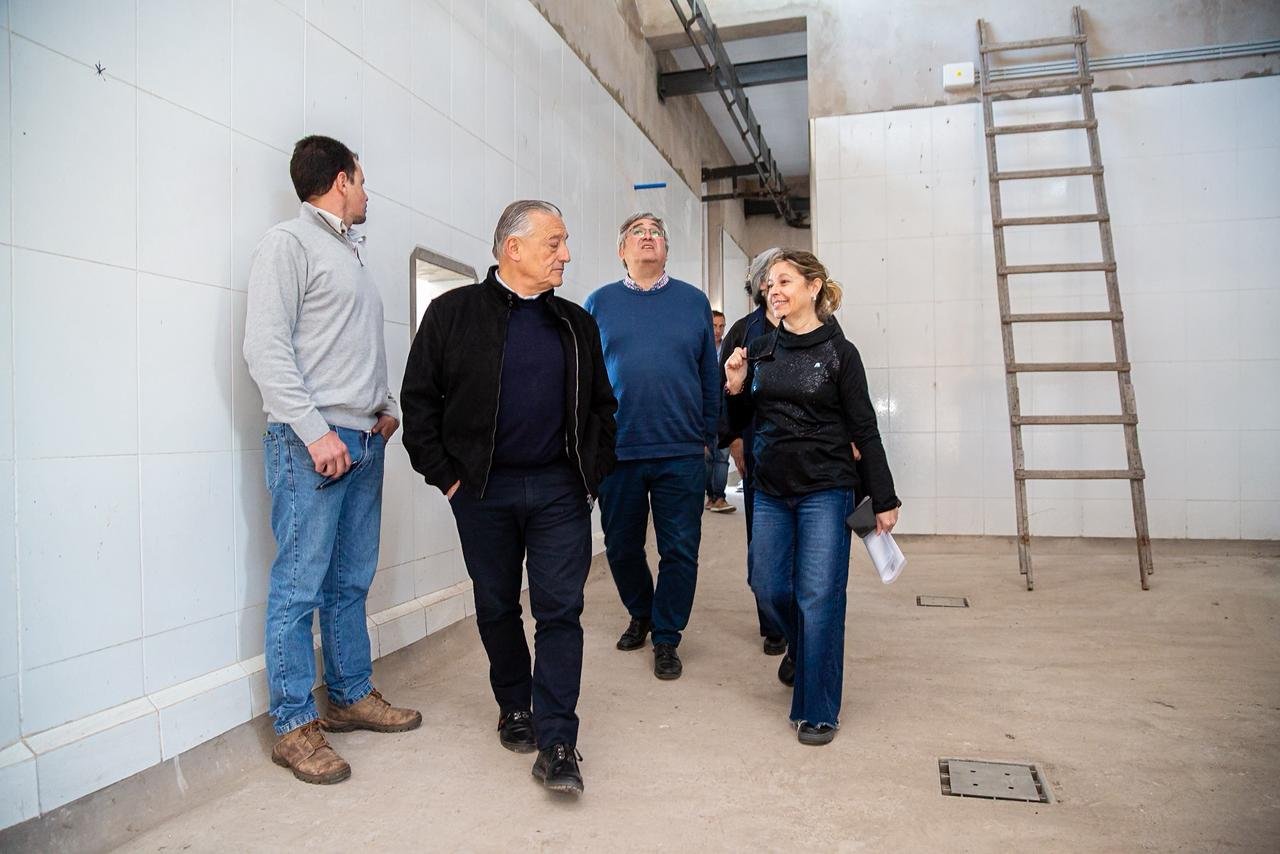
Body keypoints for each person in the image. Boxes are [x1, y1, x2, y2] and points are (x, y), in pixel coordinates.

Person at [401, 200, 617, 796]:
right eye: (555, 243)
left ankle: (558, 739)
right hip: (482, 490)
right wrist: (447, 478)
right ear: (512, 248)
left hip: (559, 491)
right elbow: (418, 402)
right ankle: (515, 704)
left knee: (560, 609)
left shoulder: (576, 324)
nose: (566, 254)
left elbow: (604, 406)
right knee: (497, 604)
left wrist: (591, 475)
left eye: (564, 242)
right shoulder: (452, 315)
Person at [244, 135, 420, 785]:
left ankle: (348, 695)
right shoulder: (288, 244)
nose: (368, 193)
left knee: (350, 580)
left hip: (363, 439)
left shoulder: (348, 252)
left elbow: (351, 344)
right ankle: (294, 725)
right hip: (312, 444)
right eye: (363, 181)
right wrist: (318, 433)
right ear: (341, 180)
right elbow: (265, 350)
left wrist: (385, 405)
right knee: (299, 585)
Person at [724, 249, 900, 747]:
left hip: (827, 488)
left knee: (818, 595)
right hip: (770, 488)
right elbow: (737, 423)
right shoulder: (759, 350)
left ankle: (818, 710)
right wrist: (734, 387)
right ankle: (804, 649)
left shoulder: (841, 354)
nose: (773, 291)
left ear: (814, 286)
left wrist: (883, 497)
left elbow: (865, 429)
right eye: (769, 285)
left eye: (784, 281)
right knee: (767, 585)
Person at [584, 213, 720, 681]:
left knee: (680, 549)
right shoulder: (598, 303)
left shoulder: (693, 302)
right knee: (621, 547)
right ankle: (641, 611)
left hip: (681, 450)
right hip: (619, 450)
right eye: (637, 233)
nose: (648, 237)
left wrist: (708, 436)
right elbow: (586, 379)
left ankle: (666, 635)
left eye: (656, 233)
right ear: (621, 250)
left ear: (665, 249)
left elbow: (709, 375)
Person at [718, 248, 787, 658]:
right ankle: (773, 624)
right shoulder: (743, 331)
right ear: (762, 284)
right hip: (759, 450)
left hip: (810, 455)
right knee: (764, 544)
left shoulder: (819, 325)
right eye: (775, 277)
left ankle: (801, 622)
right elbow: (723, 388)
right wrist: (734, 441)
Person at [704, 310, 736, 514]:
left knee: (723, 455)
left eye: (721, 326)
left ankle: (720, 496)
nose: (718, 330)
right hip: (706, 408)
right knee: (708, 456)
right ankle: (711, 495)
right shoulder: (702, 348)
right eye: (714, 325)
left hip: (725, 408)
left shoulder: (729, 348)